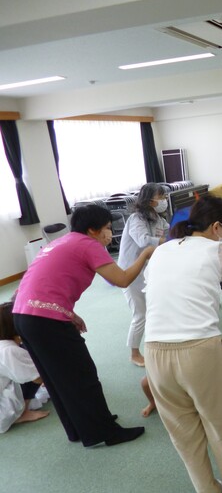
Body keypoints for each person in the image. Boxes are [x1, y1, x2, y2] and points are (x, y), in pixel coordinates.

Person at [144, 195, 222, 493]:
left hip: (154, 351)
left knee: (183, 433)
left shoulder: (161, 251)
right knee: (220, 425)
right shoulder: (215, 249)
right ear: (216, 226)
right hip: (200, 349)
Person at [13, 204, 153, 447]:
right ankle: (107, 432)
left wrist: (69, 313)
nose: (110, 233)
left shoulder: (61, 242)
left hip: (24, 316)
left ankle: (80, 429)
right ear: (93, 230)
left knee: (57, 379)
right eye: (108, 228)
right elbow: (122, 279)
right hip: (46, 321)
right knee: (82, 374)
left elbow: (46, 285)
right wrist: (145, 254)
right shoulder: (88, 244)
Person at [117, 183, 169, 366]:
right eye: (160, 197)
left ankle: (157, 344)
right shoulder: (136, 218)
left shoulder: (158, 218)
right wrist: (167, 241)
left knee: (154, 309)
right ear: (149, 198)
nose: (163, 201)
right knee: (140, 313)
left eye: (164, 197)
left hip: (148, 270)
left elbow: (168, 231)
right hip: (129, 272)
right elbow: (143, 240)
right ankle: (134, 353)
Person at [140, 338, 222, 420]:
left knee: (145, 381)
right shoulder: (221, 372)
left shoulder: (202, 360)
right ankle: (154, 403)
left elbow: (145, 383)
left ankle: (153, 403)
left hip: (176, 386)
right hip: (189, 399)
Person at [0, 301, 50, 433]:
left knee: (27, 361)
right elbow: (37, 377)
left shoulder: (5, 344)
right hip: (3, 411)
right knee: (31, 369)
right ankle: (23, 412)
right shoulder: (9, 350)